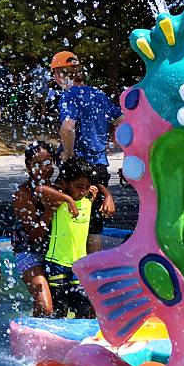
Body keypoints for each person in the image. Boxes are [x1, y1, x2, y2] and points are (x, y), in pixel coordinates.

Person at [52, 50, 118, 253]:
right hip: (100, 166)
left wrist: (68, 154)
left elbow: (67, 128)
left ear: (61, 74)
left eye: (54, 74)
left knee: (69, 218)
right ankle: (92, 277)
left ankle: (70, 271)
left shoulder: (69, 95)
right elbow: (121, 121)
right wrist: (109, 144)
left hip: (78, 169)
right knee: (93, 227)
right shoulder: (99, 94)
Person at [11, 142, 78, 317]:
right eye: (36, 164)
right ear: (28, 167)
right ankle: (31, 338)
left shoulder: (58, 188)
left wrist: (103, 192)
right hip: (28, 252)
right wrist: (50, 210)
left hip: (54, 253)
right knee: (45, 307)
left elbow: (83, 184)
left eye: (48, 162)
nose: (43, 169)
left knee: (65, 304)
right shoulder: (23, 193)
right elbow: (32, 236)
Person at [42, 160, 97, 318]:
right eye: (79, 186)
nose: (83, 191)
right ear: (65, 183)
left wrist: (105, 194)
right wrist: (68, 200)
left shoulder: (88, 201)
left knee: (83, 308)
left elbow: (98, 186)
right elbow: (41, 189)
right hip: (57, 263)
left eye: (86, 186)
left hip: (79, 265)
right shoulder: (59, 201)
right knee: (59, 308)